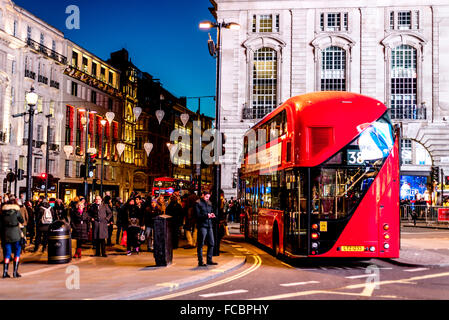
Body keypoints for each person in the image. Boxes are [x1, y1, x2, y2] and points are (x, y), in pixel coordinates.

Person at [0, 198, 25, 278]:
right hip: (16, 235)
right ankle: (15, 272)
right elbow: (22, 220)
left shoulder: (2, 213)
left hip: (6, 235)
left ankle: (5, 272)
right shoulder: (17, 212)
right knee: (17, 252)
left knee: (7, 253)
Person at [195, 191, 217, 267]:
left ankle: (209, 260)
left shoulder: (209, 203)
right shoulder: (198, 203)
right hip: (202, 225)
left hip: (209, 225)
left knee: (211, 243)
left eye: (209, 197)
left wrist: (212, 215)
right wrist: (206, 215)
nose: (208, 198)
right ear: (202, 195)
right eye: (206, 197)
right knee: (201, 244)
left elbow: (211, 211)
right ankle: (200, 261)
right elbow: (197, 215)